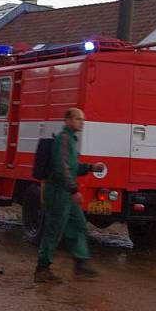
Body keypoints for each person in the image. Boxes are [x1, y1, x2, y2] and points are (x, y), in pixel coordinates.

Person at [35, 107, 106, 283]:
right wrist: (74, 191)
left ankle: (80, 262)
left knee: (79, 223)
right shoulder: (64, 139)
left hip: (66, 192)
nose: (82, 122)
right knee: (54, 230)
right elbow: (62, 169)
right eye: (78, 119)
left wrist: (90, 167)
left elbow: (72, 167)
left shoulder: (72, 141)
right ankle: (42, 269)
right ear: (67, 121)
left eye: (83, 119)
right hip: (59, 192)